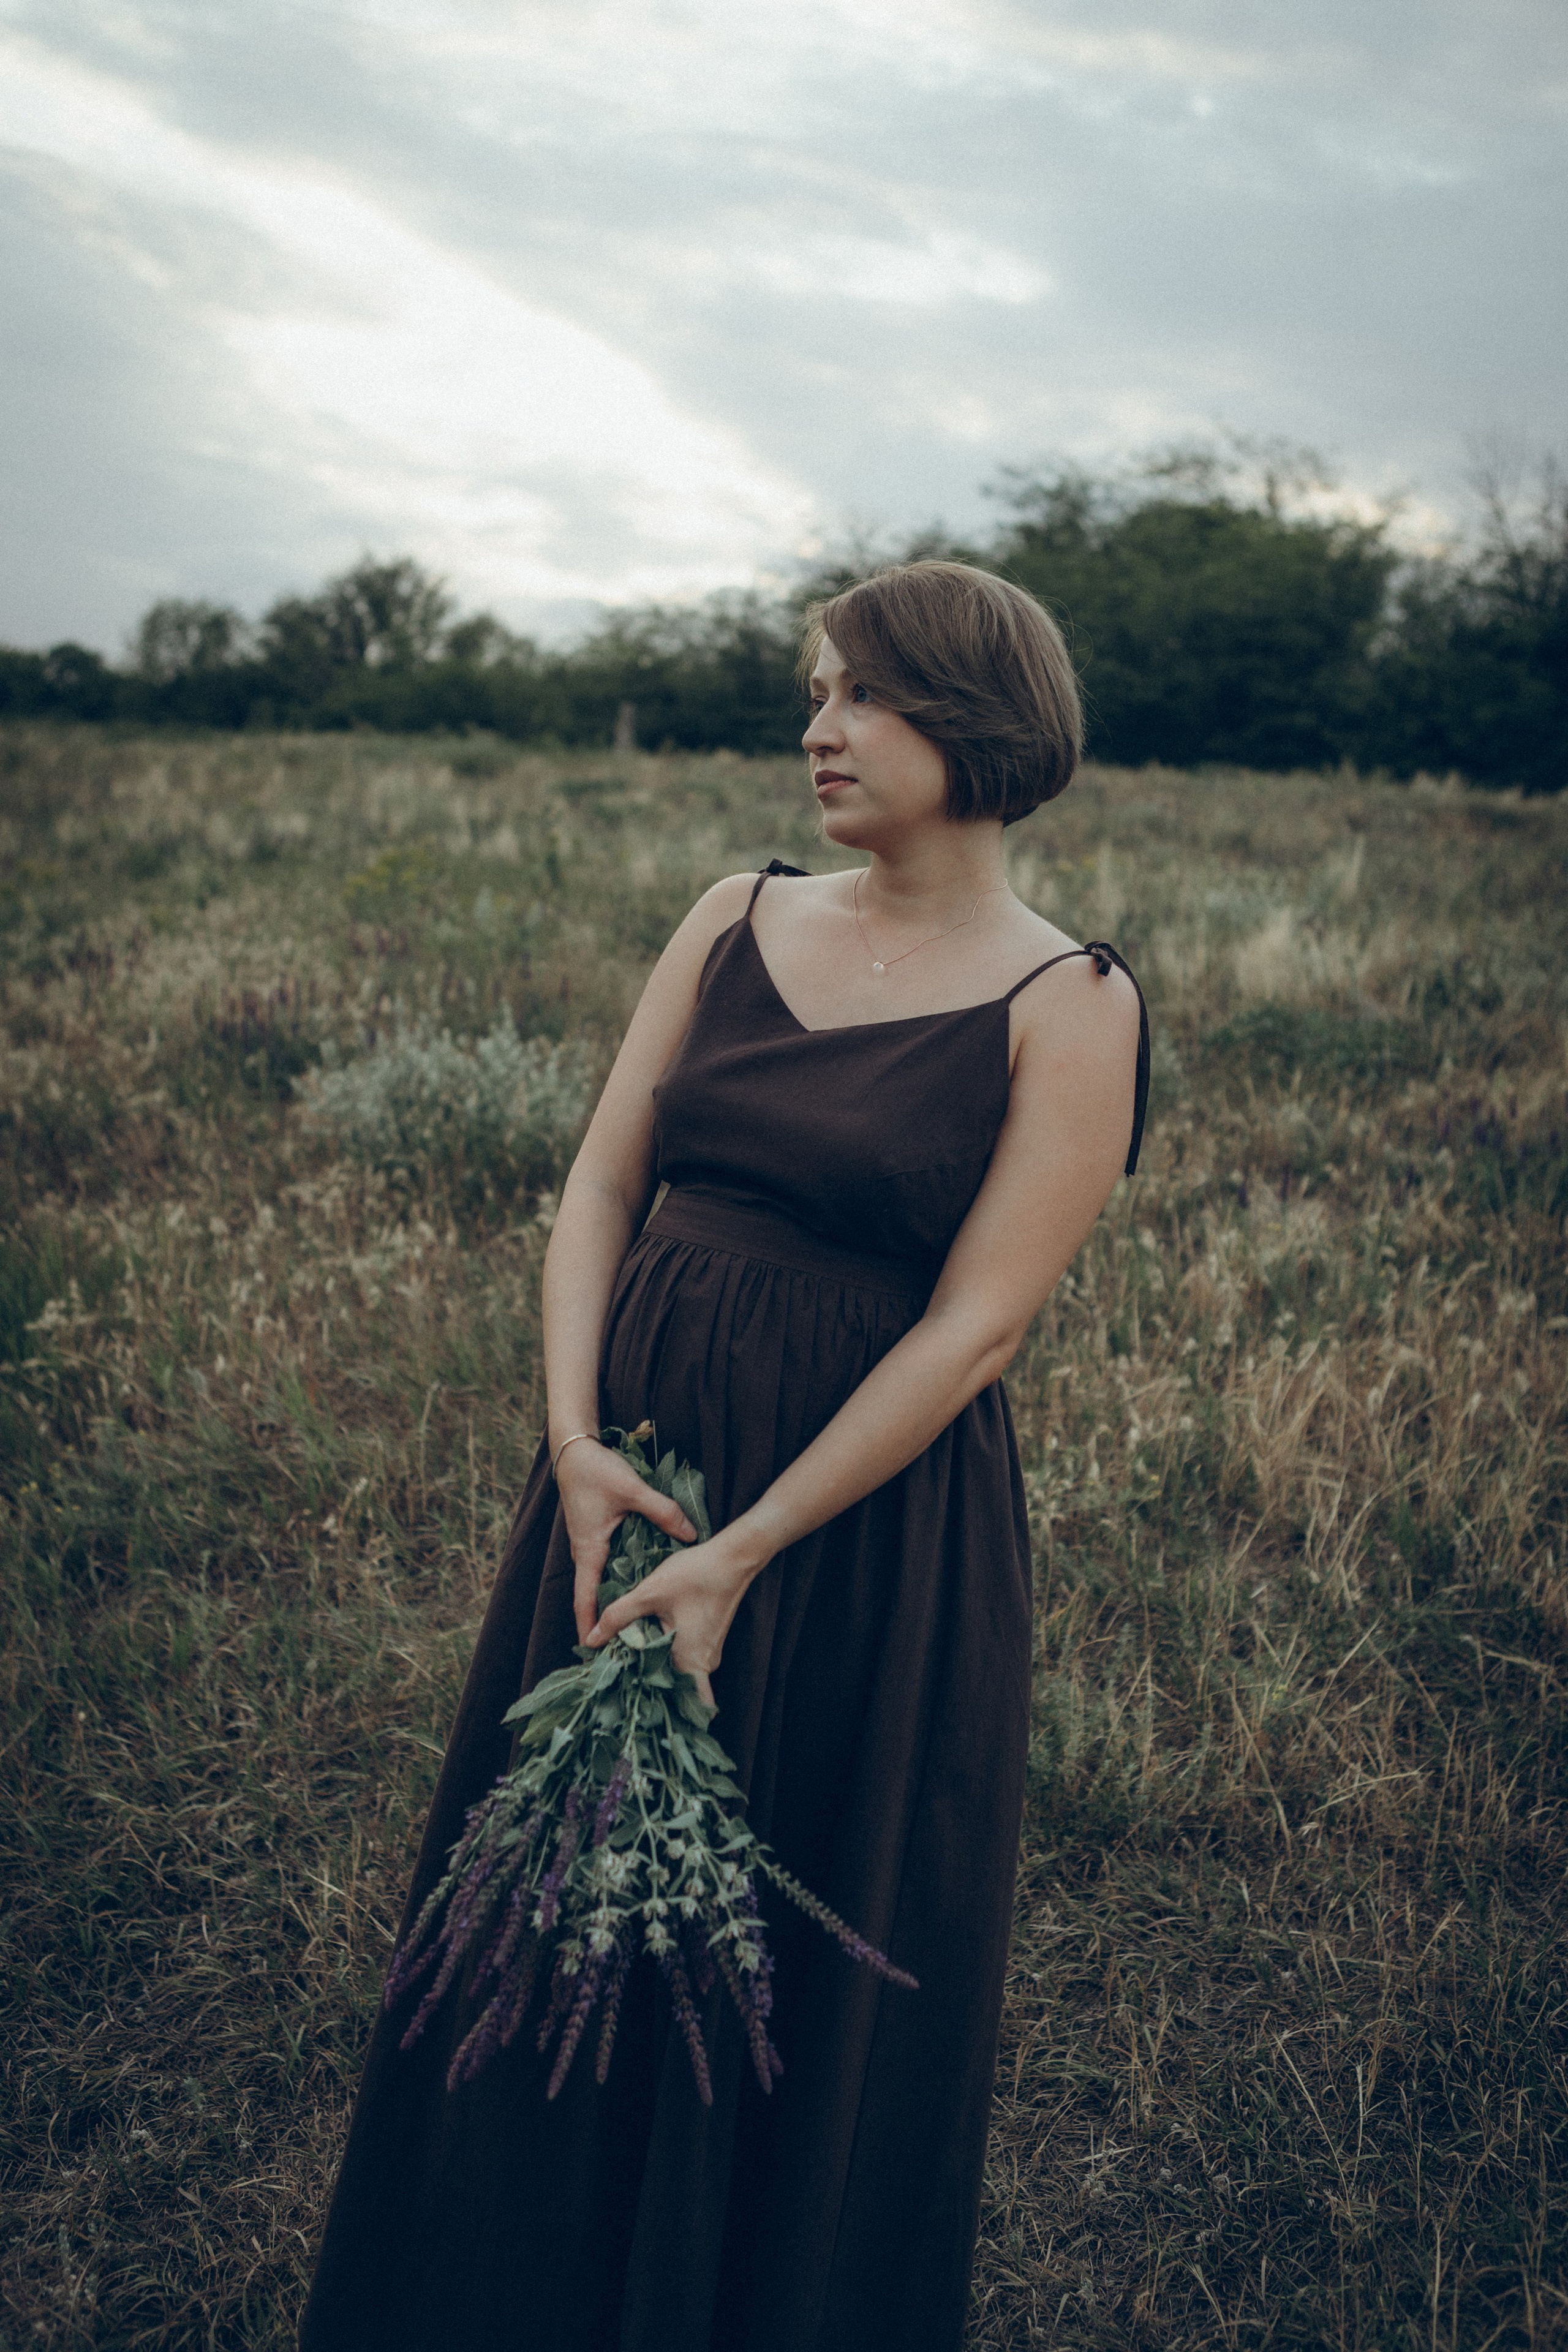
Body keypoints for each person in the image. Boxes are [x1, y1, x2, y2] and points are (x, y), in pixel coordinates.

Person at [300, 559, 1149, 2352]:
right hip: (634, 1481)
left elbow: (975, 1328)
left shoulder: (1068, 1002)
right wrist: (576, 1448)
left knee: (775, 1934)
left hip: (852, 1534)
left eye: (861, 696)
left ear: (975, 722)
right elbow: (605, 1181)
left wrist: (751, 1545)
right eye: (816, 690)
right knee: (555, 1904)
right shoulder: (734, 911)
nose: (816, 728)